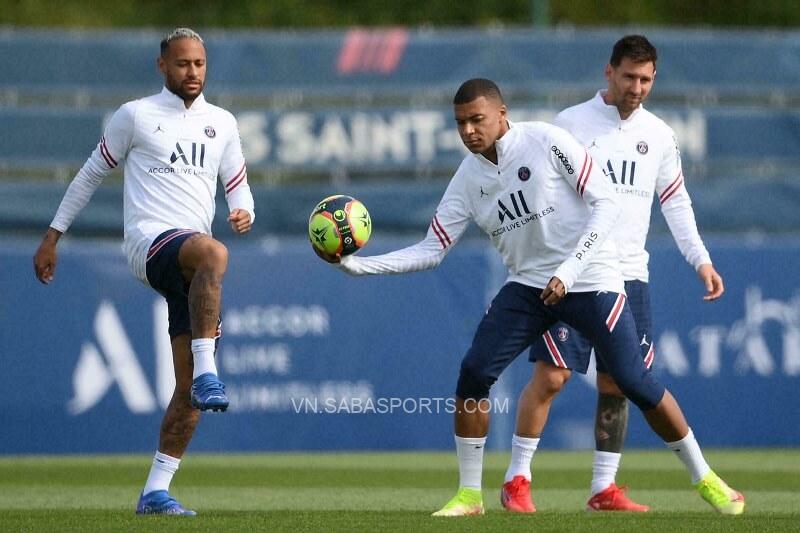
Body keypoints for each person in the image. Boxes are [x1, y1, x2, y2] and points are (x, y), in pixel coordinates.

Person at [318, 78, 744, 517]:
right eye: (460, 122)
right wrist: (357, 266)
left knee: (633, 381)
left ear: (502, 114)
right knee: (474, 372)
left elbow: (607, 204)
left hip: (592, 277)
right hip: (529, 287)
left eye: (477, 119)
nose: (468, 130)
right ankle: (469, 496)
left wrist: (570, 270)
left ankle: (705, 478)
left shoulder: (546, 140)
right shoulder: (467, 179)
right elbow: (431, 250)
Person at [500, 35, 726, 514]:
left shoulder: (660, 136)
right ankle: (517, 477)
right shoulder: (572, 125)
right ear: (609, 72)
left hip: (630, 275)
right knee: (553, 374)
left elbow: (676, 202)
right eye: (629, 77)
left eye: (646, 79)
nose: (637, 87)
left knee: (617, 385)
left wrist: (701, 260)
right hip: (575, 273)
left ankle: (604, 488)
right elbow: (539, 196)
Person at [33, 28, 255, 516]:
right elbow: (91, 172)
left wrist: (244, 212)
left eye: (199, 63)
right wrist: (54, 234)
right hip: (150, 244)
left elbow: (238, 188)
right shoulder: (135, 116)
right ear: (162, 66)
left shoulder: (223, 123)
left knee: (188, 393)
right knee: (215, 255)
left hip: (190, 264)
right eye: (182, 64)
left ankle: (156, 490)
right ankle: (211, 370)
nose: (192, 72)